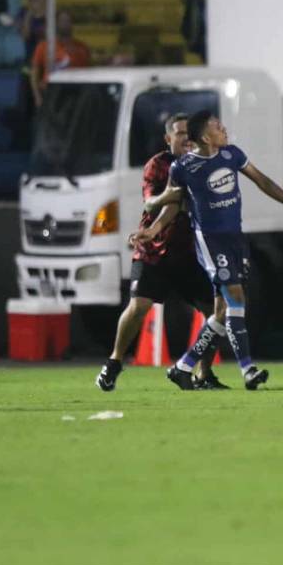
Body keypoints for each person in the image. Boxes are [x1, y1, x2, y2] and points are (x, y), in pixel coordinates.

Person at [134, 110, 283, 391]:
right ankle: (248, 370)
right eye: (218, 127)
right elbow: (172, 204)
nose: (224, 129)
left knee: (220, 312)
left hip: (235, 238)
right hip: (210, 241)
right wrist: (153, 230)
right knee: (237, 298)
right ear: (206, 136)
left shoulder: (231, 155)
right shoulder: (183, 167)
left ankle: (182, 367)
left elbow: (262, 181)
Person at [96, 114, 222, 392]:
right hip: (154, 250)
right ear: (168, 139)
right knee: (139, 306)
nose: (186, 137)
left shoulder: (205, 164)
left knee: (215, 311)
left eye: (190, 132)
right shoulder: (158, 165)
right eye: (179, 133)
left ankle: (204, 374)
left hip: (190, 252)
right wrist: (174, 193)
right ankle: (114, 362)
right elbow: (153, 203)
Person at [30, 10, 91, 107]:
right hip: (50, 94)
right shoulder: (43, 46)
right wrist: (37, 97)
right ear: (56, 24)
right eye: (62, 21)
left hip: (75, 96)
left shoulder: (82, 48)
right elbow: (34, 74)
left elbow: (87, 75)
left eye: (68, 21)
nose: (65, 24)